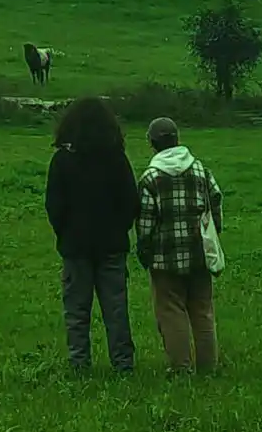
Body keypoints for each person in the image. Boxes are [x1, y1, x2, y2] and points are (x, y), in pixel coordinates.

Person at [45, 96, 140, 373]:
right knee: (116, 308)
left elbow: (54, 205)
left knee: (76, 309)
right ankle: (123, 363)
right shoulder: (117, 159)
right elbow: (130, 202)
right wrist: (119, 228)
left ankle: (79, 363)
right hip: (112, 244)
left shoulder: (62, 160)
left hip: (75, 245)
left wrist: (65, 233)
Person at [135, 116, 224, 374]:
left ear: (152, 143)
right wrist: (214, 233)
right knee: (202, 310)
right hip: (200, 252)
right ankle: (208, 366)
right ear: (177, 139)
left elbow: (145, 222)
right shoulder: (200, 170)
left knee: (171, 311)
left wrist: (144, 250)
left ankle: (181, 367)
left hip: (165, 258)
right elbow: (215, 200)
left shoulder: (151, 177)